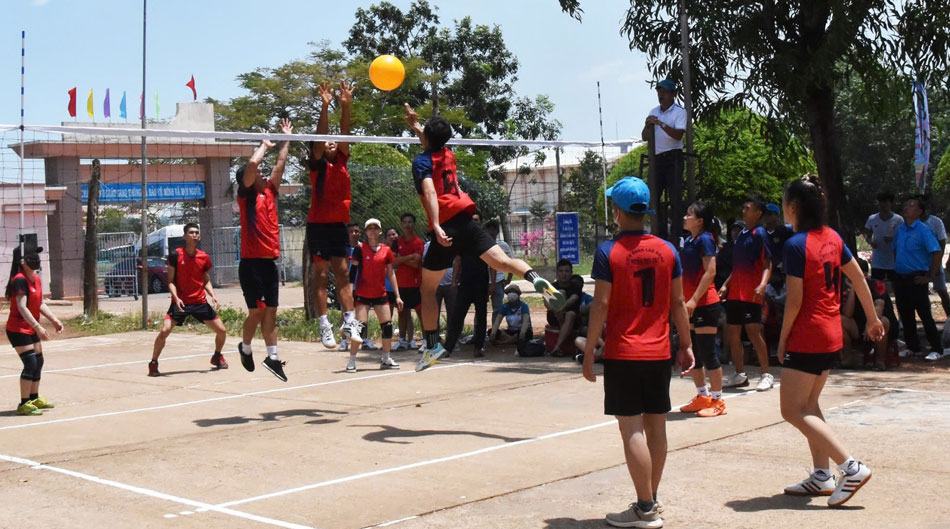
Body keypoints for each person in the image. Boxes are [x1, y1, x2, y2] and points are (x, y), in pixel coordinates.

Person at [405, 103, 564, 372]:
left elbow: (431, 193)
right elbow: (432, 147)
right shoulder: (448, 154)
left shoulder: (421, 162)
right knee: (502, 261)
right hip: (467, 222)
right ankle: (536, 280)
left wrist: (435, 224)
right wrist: (416, 127)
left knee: (428, 289)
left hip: (447, 227)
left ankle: (433, 345)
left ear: (429, 139)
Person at [582, 176, 694, 528]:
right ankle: (651, 499)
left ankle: (644, 507)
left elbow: (600, 303)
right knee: (656, 427)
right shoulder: (668, 250)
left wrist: (588, 351)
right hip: (659, 352)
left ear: (617, 211)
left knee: (631, 430)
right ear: (645, 210)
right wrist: (687, 345)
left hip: (624, 352)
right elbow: (678, 303)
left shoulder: (608, 252)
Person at [778, 175, 880, 507]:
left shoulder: (796, 245)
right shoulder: (833, 237)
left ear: (793, 207)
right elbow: (859, 277)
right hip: (830, 332)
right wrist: (874, 318)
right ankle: (822, 476)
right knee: (809, 405)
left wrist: (783, 340)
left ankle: (851, 467)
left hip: (807, 334)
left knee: (792, 410)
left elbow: (794, 301)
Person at [235, 118, 292, 382]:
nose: (259, 175)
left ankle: (273, 357)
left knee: (271, 311)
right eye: (255, 175)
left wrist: (286, 138)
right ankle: (245, 348)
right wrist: (264, 145)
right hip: (251, 264)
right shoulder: (246, 195)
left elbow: (280, 164)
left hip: (269, 263)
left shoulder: (269, 191)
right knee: (256, 313)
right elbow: (253, 164)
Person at [307, 80, 362, 350]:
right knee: (321, 274)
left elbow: (345, 133)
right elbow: (320, 139)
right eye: (327, 142)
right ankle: (323, 323)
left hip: (338, 224)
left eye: (333, 142)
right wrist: (325, 106)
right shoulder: (317, 164)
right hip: (318, 225)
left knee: (343, 274)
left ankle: (349, 321)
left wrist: (345, 105)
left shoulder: (341, 159)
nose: (331, 142)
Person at [149, 223, 227, 377]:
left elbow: (206, 280)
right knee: (164, 331)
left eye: (197, 232)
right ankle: (153, 362)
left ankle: (217, 356)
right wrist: (176, 298)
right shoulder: (175, 255)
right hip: (181, 302)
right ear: (185, 237)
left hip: (199, 302)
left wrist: (213, 295)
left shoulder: (204, 257)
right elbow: (170, 281)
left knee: (222, 331)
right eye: (191, 232)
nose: (195, 235)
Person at [718, 194, 774, 391]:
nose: (744, 211)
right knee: (732, 332)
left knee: (753, 331)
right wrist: (726, 285)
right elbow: (737, 267)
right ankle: (740, 374)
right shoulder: (741, 235)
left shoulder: (761, 234)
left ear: (758, 213)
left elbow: (767, 264)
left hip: (752, 293)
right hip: (735, 293)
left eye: (748, 208)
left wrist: (762, 285)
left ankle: (766, 374)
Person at [678, 201, 727, 417]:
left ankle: (718, 400)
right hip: (690, 303)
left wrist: (694, 299)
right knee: (695, 353)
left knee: (708, 352)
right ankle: (702, 396)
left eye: (689, 214)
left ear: (699, 221)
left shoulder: (706, 239)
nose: (685, 217)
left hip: (705, 304)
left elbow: (710, 272)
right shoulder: (690, 240)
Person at [6, 251, 64, 416]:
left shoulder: (36, 279)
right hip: (18, 328)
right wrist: (38, 326)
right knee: (30, 363)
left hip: (30, 327)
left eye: (37, 257)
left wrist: (54, 320)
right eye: (31, 258)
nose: (36, 260)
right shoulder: (19, 280)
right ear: (22, 262)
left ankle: (34, 398)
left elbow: (38, 303)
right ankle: (24, 404)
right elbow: (22, 307)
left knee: (39, 361)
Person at [346, 218, 403, 373]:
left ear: (379, 231)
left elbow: (391, 274)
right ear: (366, 232)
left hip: (380, 294)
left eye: (375, 228)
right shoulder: (360, 249)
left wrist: (397, 296)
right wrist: (350, 294)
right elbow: (352, 273)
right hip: (362, 294)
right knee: (360, 328)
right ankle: (351, 361)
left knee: (388, 327)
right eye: (369, 228)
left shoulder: (386, 250)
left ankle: (385, 358)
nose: (372, 230)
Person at [893, 194, 943, 360]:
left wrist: (930, 276)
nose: (907, 207)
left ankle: (937, 349)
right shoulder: (900, 229)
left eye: (912, 205)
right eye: (906, 204)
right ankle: (913, 347)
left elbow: (936, 252)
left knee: (924, 314)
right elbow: (895, 250)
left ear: (920, 211)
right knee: (905, 314)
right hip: (901, 277)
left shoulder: (923, 230)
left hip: (917, 277)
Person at [641, 78, 687, 243]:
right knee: (654, 197)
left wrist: (660, 124)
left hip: (673, 156)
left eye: (665, 91)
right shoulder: (653, 111)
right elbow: (644, 137)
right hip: (657, 158)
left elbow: (678, 135)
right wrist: (648, 125)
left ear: (673, 94)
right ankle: (658, 232)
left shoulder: (679, 112)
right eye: (659, 91)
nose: (661, 95)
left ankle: (676, 234)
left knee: (675, 198)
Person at [444, 218, 492, 358]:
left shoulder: (485, 239)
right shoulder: (462, 239)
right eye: (473, 220)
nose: (475, 222)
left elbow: (492, 262)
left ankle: (479, 347)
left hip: (481, 283)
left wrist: (492, 283)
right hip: (465, 283)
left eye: (477, 220)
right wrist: (454, 281)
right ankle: (448, 347)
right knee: (457, 316)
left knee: (481, 316)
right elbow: (458, 261)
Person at [841, 259, 895, 371]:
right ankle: (847, 359)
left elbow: (879, 305)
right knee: (838, 320)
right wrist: (854, 288)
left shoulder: (876, 284)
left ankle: (879, 361)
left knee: (883, 321)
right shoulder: (847, 287)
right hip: (857, 326)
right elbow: (847, 314)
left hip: (878, 324)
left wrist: (871, 321)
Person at [392, 212, 425, 352]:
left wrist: (402, 258)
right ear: (401, 224)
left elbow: (417, 263)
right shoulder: (396, 242)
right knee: (402, 313)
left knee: (421, 313)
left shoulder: (418, 242)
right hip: (401, 284)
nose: (407, 225)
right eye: (405, 222)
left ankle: (426, 341)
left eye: (410, 222)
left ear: (414, 224)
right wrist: (409, 257)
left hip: (416, 283)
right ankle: (402, 341)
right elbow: (393, 261)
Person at [861, 190, 902, 285]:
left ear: (891, 203)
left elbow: (903, 237)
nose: (883, 205)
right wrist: (871, 242)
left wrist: (893, 239)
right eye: (880, 202)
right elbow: (867, 235)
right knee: (876, 285)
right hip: (878, 260)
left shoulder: (898, 219)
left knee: (896, 285)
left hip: (894, 260)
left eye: (885, 202)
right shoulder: (872, 218)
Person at [546, 259, 584, 356]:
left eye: (567, 271)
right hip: (554, 316)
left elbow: (574, 298)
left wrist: (562, 306)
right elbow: (546, 301)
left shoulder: (575, 286)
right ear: (557, 273)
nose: (564, 274)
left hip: (573, 318)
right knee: (560, 297)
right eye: (561, 271)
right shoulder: (551, 286)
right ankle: (559, 347)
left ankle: (557, 347)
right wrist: (555, 308)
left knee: (570, 314)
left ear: (571, 273)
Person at [920, 201, 950, 316]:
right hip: (919, 263)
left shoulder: (935, 222)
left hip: (934, 261)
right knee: (922, 294)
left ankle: (949, 319)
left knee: (941, 290)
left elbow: (942, 243)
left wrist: (937, 264)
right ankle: (928, 319)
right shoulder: (912, 223)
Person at [484, 220, 513, 319]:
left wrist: (509, 279)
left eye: (494, 229)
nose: (491, 231)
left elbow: (511, 262)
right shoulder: (482, 244)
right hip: (483, 280)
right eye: (489, 229)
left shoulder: (503, 245)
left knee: (497, 308)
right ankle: (479, 332)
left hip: (498, 280)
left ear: (497, 231)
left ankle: (495, 331)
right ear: (486, 230)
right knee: (481, 308)